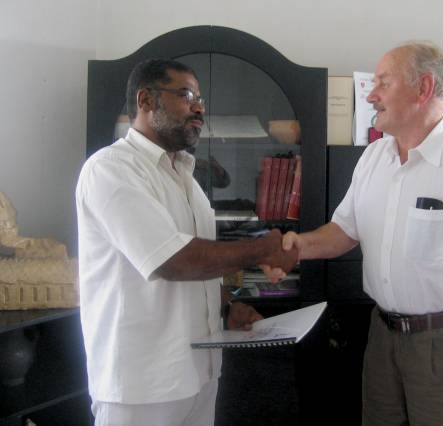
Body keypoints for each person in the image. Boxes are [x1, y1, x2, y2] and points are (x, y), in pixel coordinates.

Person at [268, 42, 443, 425]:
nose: (370, 95)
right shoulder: (373, 157)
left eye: (383, 83)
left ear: (424, 88)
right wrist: (297, 246)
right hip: (384, 337)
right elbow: (345, 231)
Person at [76, 58, 297, 426]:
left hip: (198, 374)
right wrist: (263, 248)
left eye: (200, 99)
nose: (199, 108)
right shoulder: (111, 169)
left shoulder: (185, 177)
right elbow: (173, 261)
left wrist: (227, 306)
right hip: (142, 386)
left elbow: (199, 268)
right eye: (186, 96)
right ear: (146, 100)